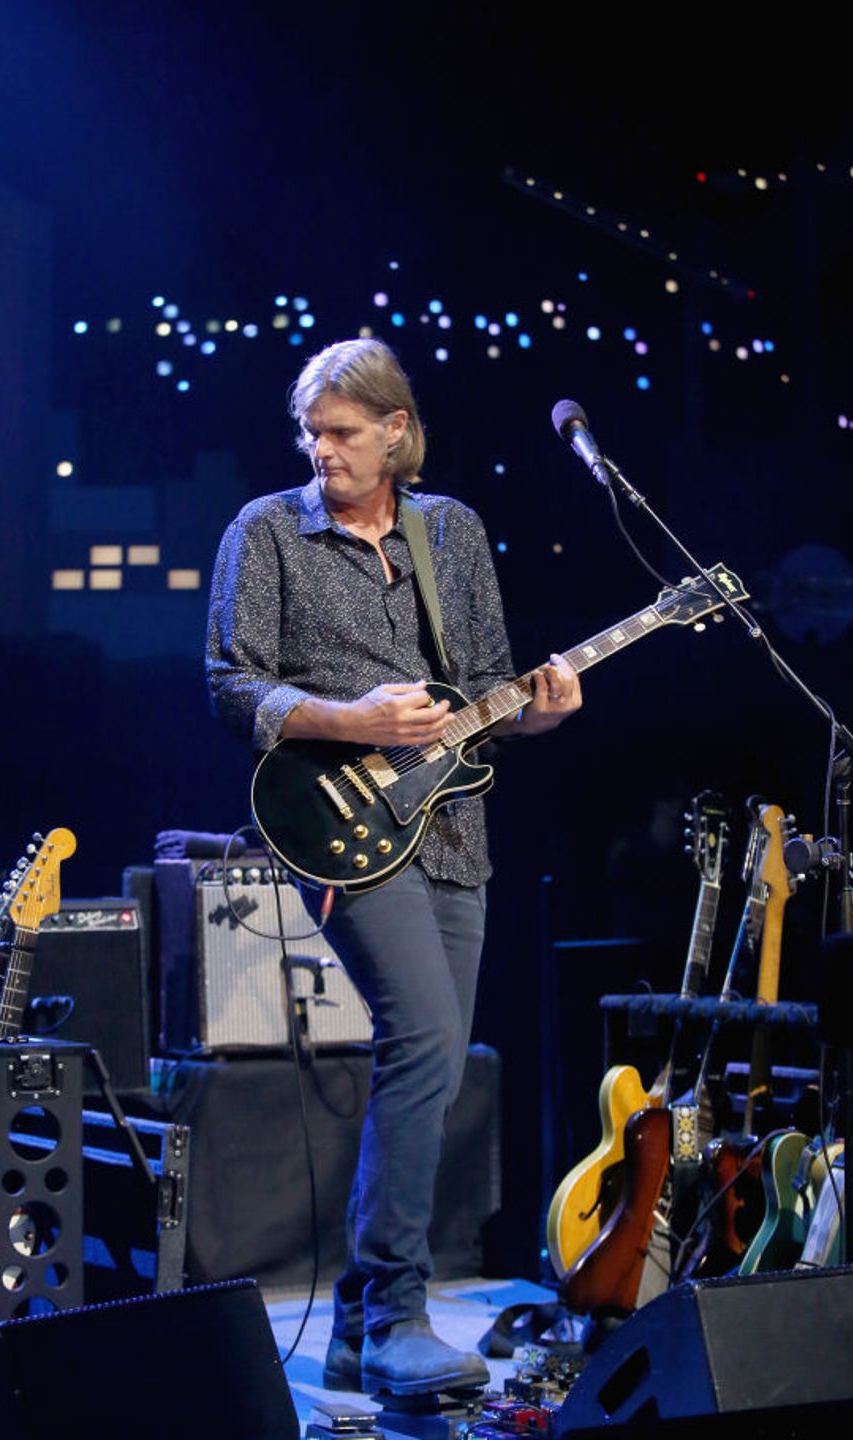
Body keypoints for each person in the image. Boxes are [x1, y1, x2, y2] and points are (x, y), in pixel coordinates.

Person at [205, 337, 581, 1395]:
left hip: (453, 830)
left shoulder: (451, 532)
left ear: (396, 432)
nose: (319, 451)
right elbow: (231, 685)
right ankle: (401, 1310)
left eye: (340, 433)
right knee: (421, 1034)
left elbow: (489, 697)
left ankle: (360, 1331)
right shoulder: (267, 531)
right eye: (310, 434)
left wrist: (542, 713)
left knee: (439, 1061)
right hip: (338, 824)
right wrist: (349, 714)